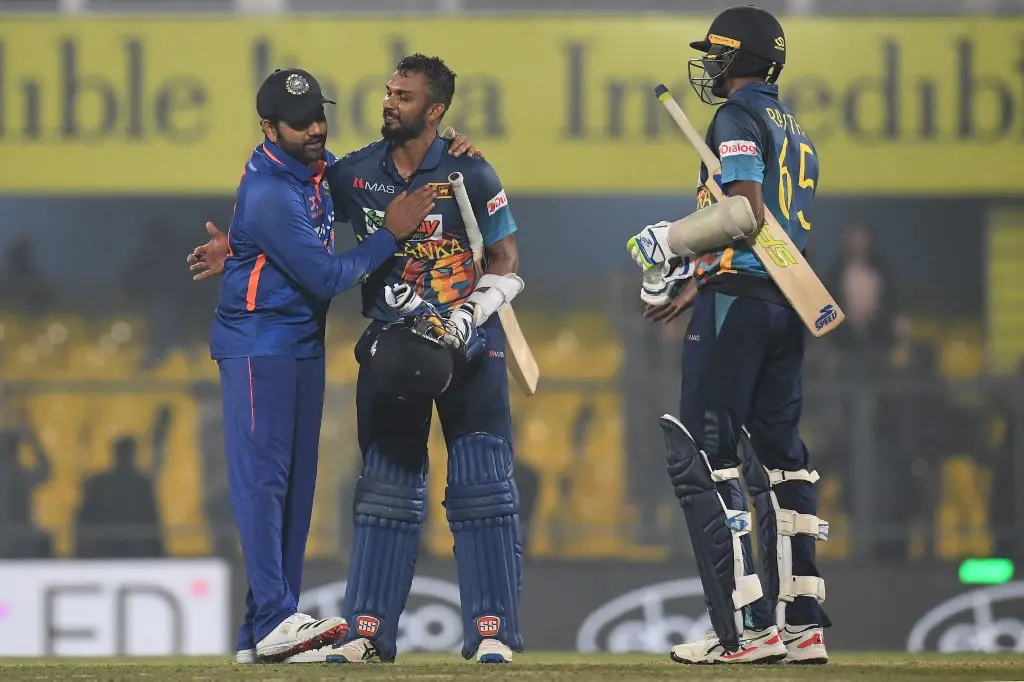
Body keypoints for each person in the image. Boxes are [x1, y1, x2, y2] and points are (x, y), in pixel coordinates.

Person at [189, 56, 524, 665]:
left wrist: (471, 313)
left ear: (436, 110)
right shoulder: (353, 173)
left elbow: (505, 257)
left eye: (404, 96)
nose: (389, 103)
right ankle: (364, 631)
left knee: (481, 487)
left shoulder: (470, 170)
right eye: (388, 92)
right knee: (383, 492)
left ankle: (492, 631)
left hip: (468, 343)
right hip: (387, 347)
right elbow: (298, 233)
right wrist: (242, 246)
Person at [209, 66, 438, 665]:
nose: (315, 129)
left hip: (301, 345)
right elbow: (328, 276)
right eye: (299, 123)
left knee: (295, 488)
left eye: (318, 116)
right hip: (258, 344)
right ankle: (274, 617)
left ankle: (263, 629)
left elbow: (362, 178)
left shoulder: (313, 169)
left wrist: (449, 145)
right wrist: (389, 235)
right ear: (269, 128)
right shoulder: (269, 190)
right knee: (264, 483)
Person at [626, 6, 830, 665]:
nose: (709, 64)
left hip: (737, 306)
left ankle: (745, 628)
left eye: (717, 52)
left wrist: (670, 240)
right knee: (782, 459)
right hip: (785, 302)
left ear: (740, 57)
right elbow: (777, 241)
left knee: (707, 457)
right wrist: (699, 275)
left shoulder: (737, 116)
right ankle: (802, 624)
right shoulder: (797, 131)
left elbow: (744, 213)